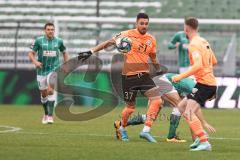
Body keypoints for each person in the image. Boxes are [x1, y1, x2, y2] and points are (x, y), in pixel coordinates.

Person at [78, 13, 162, 143]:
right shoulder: (126, 34)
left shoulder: (151, 39)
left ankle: (146, 131)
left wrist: (158, 69)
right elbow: (108, 43)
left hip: (144, 75)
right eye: (142, 23)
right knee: (130, 108)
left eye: (146, 23)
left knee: (157, 101)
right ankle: (122, 128)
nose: (144, 26)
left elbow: (153, 57)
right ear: (136, 23)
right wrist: (91, 51)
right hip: (129, 77)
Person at [114, 73, 216, 142]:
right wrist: (203, 125)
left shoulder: (194, 86)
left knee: (152, 115)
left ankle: (121, 124)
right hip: (162, 82)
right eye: (209, 99)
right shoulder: (194, 87)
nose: (207, 100)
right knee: (183, 109)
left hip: (159, 81)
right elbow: (194, 109)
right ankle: (172, 137)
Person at [172, 17, 218, 151]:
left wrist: (179, 76)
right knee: (181, 107)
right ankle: (199, 135)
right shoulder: (204, 41)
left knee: (189, 112)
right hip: (205, 83)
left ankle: (204, 142)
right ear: (197, 27)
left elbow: (198, 65)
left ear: (186, 28)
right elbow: (213, 61)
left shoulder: (193, 44)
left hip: (205, 84)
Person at [28, 22, 69, 124]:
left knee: (50, 91)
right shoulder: (39, 41)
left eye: (52, 29)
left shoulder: (59, 41)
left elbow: (64, 52)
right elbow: (31, 53)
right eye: (49, 29)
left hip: (54, 69)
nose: (51, 31)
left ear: (54, 30)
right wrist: (35, 62)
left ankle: (50, 116)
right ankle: (46, 114)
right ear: (45, 30)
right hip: (41, 71)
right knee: (43, 94)